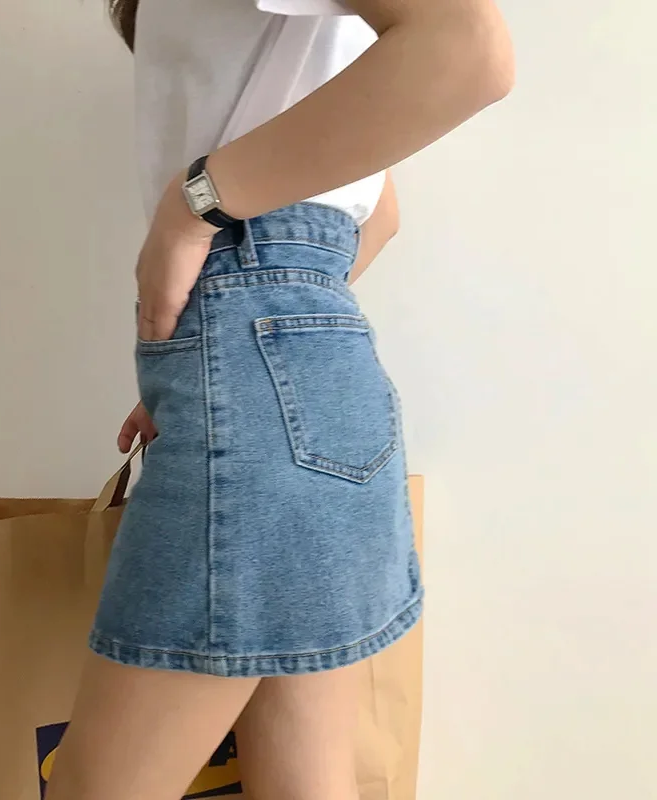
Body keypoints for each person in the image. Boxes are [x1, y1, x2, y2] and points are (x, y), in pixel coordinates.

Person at [46, 1, 513, 798]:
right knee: (306, 780)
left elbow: (470, 49)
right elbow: (379, 217)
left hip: (257, 360)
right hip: (323, 361)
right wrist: (220, 358)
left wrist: (192, 211)